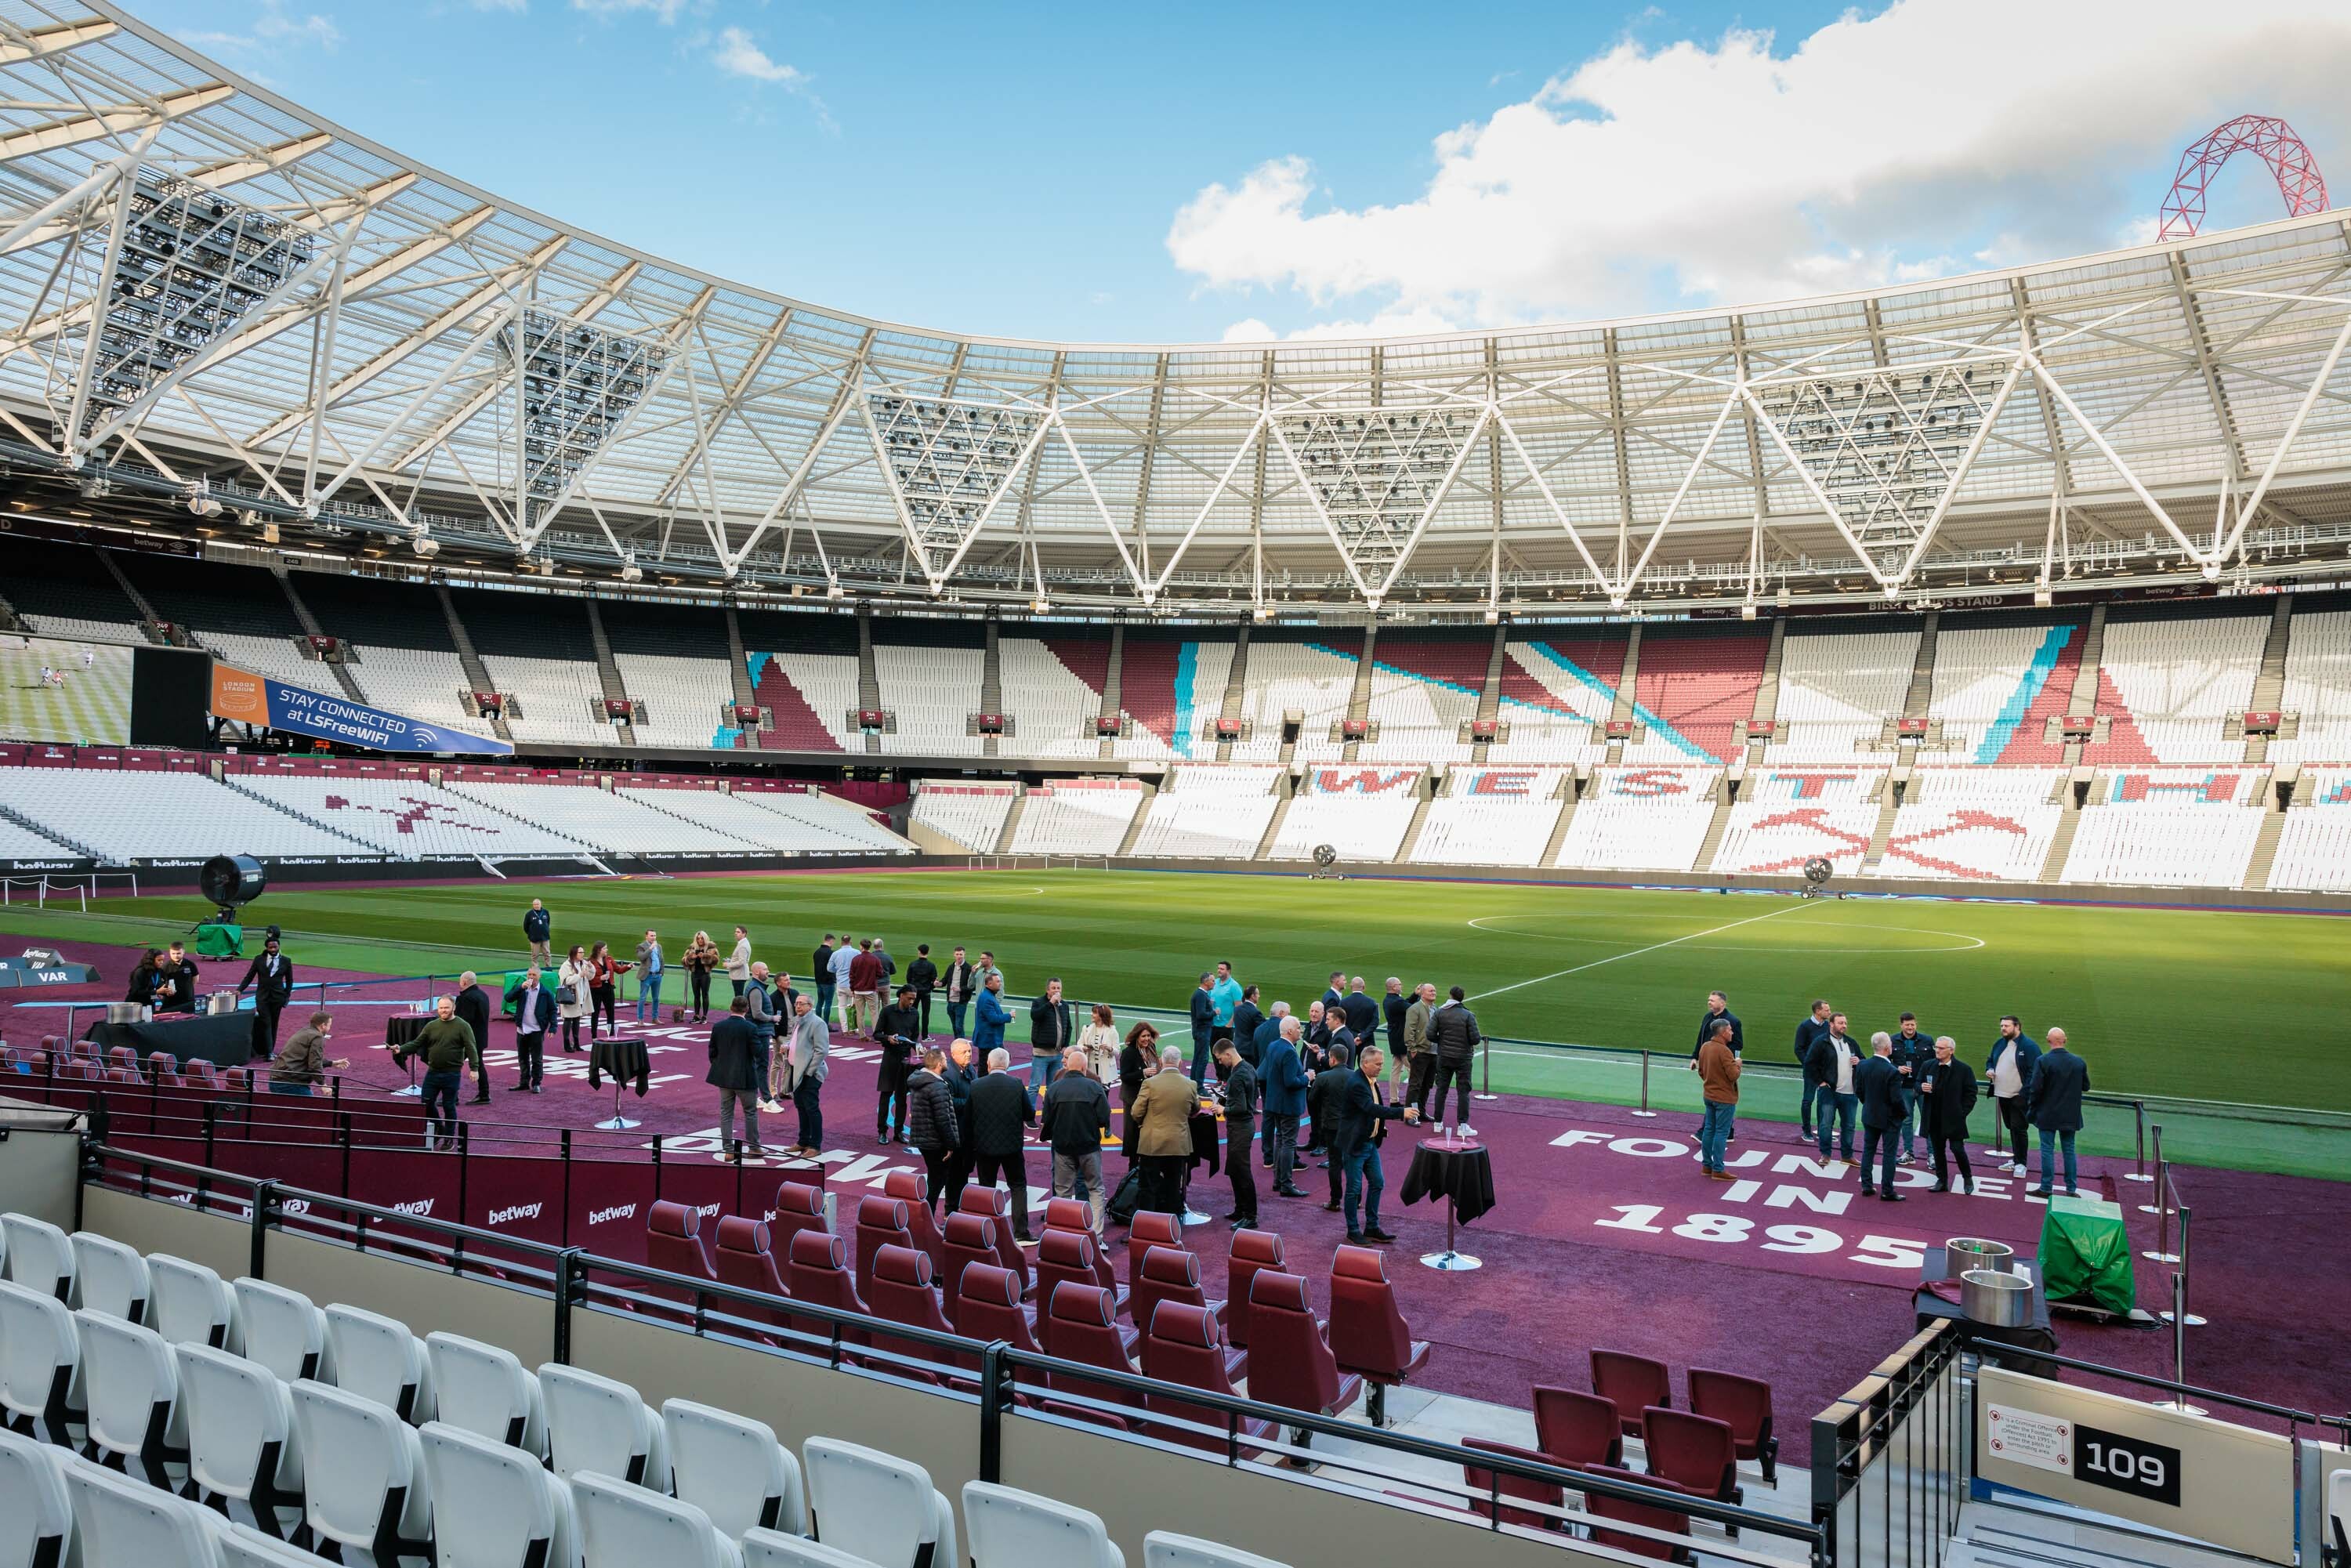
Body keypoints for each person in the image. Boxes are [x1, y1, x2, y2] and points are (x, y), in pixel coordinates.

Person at [1331, 1045, 1416, 1244]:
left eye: (1382, 1064)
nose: (1380, 1067)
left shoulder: (1370, 1080)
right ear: (1365, 1063)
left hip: (1369, 1142)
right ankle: (1353, 1230)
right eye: (1377, 1064)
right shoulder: (1357, 1084)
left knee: (1377, 1183)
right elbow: (1371, 1108)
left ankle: (1371, 1227)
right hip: (1356, 1144)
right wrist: (1400, 1112)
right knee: (1354, 1189)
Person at [392, 995, 480, 1149]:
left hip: (452, 1074)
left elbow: (471, 1047)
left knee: (449, 1105)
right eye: (441, 1008)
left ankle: (448, 1138)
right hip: (433, 1072)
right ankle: (440, 1127)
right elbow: (417, 1043)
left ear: (454, 1008)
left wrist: (474, 1068)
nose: (443, 1011)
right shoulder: (432, 1026)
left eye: (446, 1008)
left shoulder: (463, 1026)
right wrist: (401, 1048)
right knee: (426, 1102)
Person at [968, 1048, 1037, 1240]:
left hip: (984, 1147)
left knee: (986, 1188)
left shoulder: (976, 1085)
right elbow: (1029, 1115)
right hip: (1012, 1147)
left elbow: (967, 1118)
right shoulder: (1016, 1084)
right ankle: (1021, 1232)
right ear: (1007, 1064)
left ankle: (986, 1230)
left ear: (988, 1064)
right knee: (1018, 1186)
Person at [1042, 1046, 1111, 1233]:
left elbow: (1046, 1119)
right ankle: (1095, 1235)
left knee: (1063, 1192)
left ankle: (1063, 1234)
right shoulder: (1095, 1087)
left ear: (1067, 1067)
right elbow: (1105, 1118)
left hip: (1062, 1146)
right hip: (1089, 1146)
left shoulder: (1054, 1088)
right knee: (1095, 1189)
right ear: (1083, 1068)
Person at [1131, 1045, 1199, 1217]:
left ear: (1161, 1061)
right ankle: (1170, 1229)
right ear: (1180, 1063)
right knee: (1173, 1187)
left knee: (1147, 1188)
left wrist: (1145, 1125)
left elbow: (1136, 1112)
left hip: (1152, 1143)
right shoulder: (1190, 1084)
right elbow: (1195, 1108)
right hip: (1178, 1144)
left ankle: (1145, 1228)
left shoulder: (1150, 1084)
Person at [2027, 1027, 2088, 1199]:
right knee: (2069, 1149)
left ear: (2048, 1040)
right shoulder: (2078, 1062)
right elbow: (2086, 1086)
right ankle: (2071, 1188)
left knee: (2047, 1149)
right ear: (2065, 1040)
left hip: (2047, 1113)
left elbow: (2036, 1088)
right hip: (2070, 1114)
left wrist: (2032, 1107)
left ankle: (2046, 1187)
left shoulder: (2043, 1061)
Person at [708, 994, 766, 1164]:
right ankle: (754, 1147)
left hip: (724, 1077)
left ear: (731, 1007)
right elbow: (758, 1052)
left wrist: (721, 1067)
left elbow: (712, 1051)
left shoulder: (719, 1026)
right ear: (747, 1009)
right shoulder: (750, 1028)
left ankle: (728, 1149)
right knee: (750, 1112)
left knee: (726, 1113)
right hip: (745, 1078)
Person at [1918, 1036, 1977, 1194]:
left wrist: (1961, 1113)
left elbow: (1971, 1094)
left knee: (1958, 1149)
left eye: (1941, 1048)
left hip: (1954, 1119)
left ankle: (1968, 1178)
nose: (1937, 1050)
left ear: (1951, 1051)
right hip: (1934, 1117)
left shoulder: (1964, 1070)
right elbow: (1917, 1084)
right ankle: (1942, 1181)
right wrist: (1921, 1087)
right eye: (1936, 1047)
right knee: (1938, 1151)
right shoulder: (1927, 1066)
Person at [1983, 1016, 2040, 1178]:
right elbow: (1990, 1060)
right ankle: (2016, 1160)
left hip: (2018, 1096)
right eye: (2001, 1026)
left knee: (2019, 1128)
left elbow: (2035, 1071)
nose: (2003, 1029)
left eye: (2006, 1026)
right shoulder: (1999, 1044)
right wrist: (1990, 1069)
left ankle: (2021, 1163)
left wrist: (2024, 1093)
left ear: (2017, 1027)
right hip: (2002, 1094)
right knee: (2011, 1127)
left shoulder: (2029, 1046)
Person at [1260, 1016, 1310, 1197]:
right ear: (1290, 1031)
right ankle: (1286, 1183)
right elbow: (1291, 1081)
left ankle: (1278, 1181)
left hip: (1275, 1102)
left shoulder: (1273, 1046)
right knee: (1288, 1142)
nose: (1300, 1031)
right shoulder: (1289, 1052)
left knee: (1281, 1140)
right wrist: (1307, 1078)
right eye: (1298, 1028)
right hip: (1288, 1104)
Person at [906, 1047, 961, 1210]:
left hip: (923, 1138)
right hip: (935, 1141)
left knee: (934, 1179)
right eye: (944, 1059)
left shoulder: (919, 1080)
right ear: (938, 1064)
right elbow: (943, 1119)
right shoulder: (938, 1086)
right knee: (937, 1181)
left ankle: (925, 1217)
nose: (947, 1062)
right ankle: (926, 1218)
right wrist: (951, 1145)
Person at [1213, 1037, 1259, 1229]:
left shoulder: (1238, 1075)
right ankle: (1241, 1209)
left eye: (1219, 1058)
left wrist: (1223, 1109)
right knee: (1234, 1169)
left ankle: (1250, 1216)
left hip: (1240, 1126)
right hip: (1243, 1126)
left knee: (1242, 1171)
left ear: (1228, 1054)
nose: (1219, 1062)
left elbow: (1240, 1107)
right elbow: (1251, 1098)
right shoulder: (1248, 1068)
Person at [1425, 985, 1483, 1134]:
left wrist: (1442, 1041)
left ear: (1451, 995)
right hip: (1463, 1058)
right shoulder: (1468, 1015)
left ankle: (1438, 1123)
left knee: (1441, 1089)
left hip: (1444, 1056)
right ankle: (1462, 1125)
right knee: (1463, 1091)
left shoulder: (1440, 1013)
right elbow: (1476, 1039)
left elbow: (1430, 1034)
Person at [1855, 1033, 1906, 1201]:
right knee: (1889, 1154)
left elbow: (1859, 1091)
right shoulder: (1892, 1071)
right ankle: (1887, 1190)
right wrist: (1902, 1114)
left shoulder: (1863, 1066)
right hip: (1889, 1119)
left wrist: (1869, 1105)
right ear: (1886, 1048)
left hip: (1869, 1115)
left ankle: (1867, 1186)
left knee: (1868, 1150)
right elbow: (1897, 1099)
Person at [874, 984, 923, 1144]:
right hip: (890, 1058)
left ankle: (899, 1131)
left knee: (902, 1097)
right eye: (909, 998)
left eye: (914, 999)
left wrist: (917, 1046)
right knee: (886, 1095)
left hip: (905, 1059)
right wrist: (888, 1038)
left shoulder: (915, 1014)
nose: (911, 1002)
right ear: (901, 995)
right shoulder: (887, 1011)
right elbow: (877, 1034)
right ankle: (882, 1131)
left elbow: (914, 1036)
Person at [1809, 1012, 1860, 1164]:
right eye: (1840, 1023)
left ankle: (1847, 1156)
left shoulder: (1851, 1042)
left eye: (1845, 1023)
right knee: (1825, 1124)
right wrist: (1820, 1082)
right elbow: (1810, 1064)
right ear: (1831, 1024)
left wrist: (1860, 1060)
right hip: (1829, 1091)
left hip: (1850, 1093)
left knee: (1849, 1126)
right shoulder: (1821, 1042)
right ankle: (1825, 1154)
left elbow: (1863, 1059)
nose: (1844, 1026)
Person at [1310, 1042, 1356, 1209]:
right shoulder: (1356, 1076)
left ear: (1333, 1059)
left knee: (1335, 1163)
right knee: (1352, 1163)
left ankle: (1335, 1201)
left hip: (1331, 1125)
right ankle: (1355, 1200)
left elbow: (1312, 1099)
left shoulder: (1323, 1077)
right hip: (1351, 1126)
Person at [237, 936, 295, 1060]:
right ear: (266, 948)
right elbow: (249, 976)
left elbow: (290, 981)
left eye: (275, 947)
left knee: (274, 1024)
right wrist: (240, 989)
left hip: (278, 998)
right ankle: (269, 1052)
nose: (273, 949)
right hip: (262, 997)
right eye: (271, 947)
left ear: (279, 946)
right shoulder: (259, 960)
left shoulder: (286, 961)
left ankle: (270, 1050)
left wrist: (286, 997)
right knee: (266, 1022)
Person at [785, 993, 828, 1157]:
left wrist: (810, 1072)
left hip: (810, 1074)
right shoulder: (799, 1021)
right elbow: (798, 1042)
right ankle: (803, 1141)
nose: (798, 1006)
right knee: (801, 1106)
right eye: (796, 1003)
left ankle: (815, 1145)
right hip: (797, 1072)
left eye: (802, 1004)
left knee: (811, 1108)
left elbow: (822, 1050)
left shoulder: (818, 1023)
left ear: (810, 1006)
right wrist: (788, 1046)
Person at [1696, 1019, 1740, 1178]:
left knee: (1709, 1130)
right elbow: (1733, 1075)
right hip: (1724, 1098)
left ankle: (1706, 1166)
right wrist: (1737, 1064)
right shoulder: (1725, 1051)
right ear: (1722, 1033)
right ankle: (1718, 1169)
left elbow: (1701, 1071)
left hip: (1709, 1095)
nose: (1732, 1032)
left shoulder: (1705, 1047)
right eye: (1729, 1030)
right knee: (1721, 1133)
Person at [270, 1009, 346, 1095]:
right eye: (329, 1025)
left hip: (275, 1079)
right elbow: (314, 1063)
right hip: (290, 1083)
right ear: (323, 1026)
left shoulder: (304, 1031)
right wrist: (323, 1085)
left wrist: (332, 1063)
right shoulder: (317, 1037)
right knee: (311, 1107)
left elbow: (308, 1059)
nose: (330, 1028)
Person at [942, 1037, 979, 1209]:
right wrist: (970, 1103)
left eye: (969, 1051)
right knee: (953, 1173)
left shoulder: (970, 1068)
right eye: (964, 1052)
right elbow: (949, 1101)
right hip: (956, 1129)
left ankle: (960, 1206)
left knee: (965, 1170)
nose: (968, 1054)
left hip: (968, 1129)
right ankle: (950, 1209)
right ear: (953, 1054)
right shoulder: (948, 1074)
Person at [1889, 1012, 1929, 1163]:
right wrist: (1897, 1068)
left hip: (1923, 1088)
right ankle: (1908, 1152)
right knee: (1906, 1121)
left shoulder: (1926, 1040)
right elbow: (1885, 1061)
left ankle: (1932, 1155)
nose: (1910, 1027)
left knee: (1928, 1120)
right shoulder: (1892, 1041)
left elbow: (1933, 1062)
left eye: (1912, 1024)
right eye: (1907, 1025)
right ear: (1901, 1025)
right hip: (1904, 1087)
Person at [1118, 1021, 1158, 1162]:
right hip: (1132, 1098)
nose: (1146, 1039)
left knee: (1147, 1131)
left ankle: (1146, 1161)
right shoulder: (1128, 1052)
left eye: (1148, 1036)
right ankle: (1133, 1164)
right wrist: (1142, 1073)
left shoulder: (1151, 1047)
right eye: (1143, 1036)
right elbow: (1124, 1076)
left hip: (1148, 1096)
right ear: (1136, 1037)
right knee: (1133, 1132)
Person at [1794, 998, 1834, 1141]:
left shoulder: (1827, 1026)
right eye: (1827, 1010)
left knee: (1824, 1101)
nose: (1830, 1012)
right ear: (1818, 1011)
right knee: (1808, 1100)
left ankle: (1822, 1131)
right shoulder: (1805, 1027)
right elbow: (1798, 1049)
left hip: (1825, 1071)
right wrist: (1809, 1065)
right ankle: (1807, 1130)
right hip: (1812, 1071)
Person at [512, 965, 556, 1094]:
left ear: (539, 977)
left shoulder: (545, 993)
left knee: (537, 1059)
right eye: (529, 975)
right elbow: (508, 998)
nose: (531, 977)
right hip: (522, 1029)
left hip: (536, 1030)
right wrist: (520, 988)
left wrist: (553, 1027)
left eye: (534, 975)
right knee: (522, 1058)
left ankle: (536, 1083)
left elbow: (553, 1010)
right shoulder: (522, 989)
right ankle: (524, 1082)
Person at [1029, 979, 1074, 1095]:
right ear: (1047, 990)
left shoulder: (1064, 1005)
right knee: (1034, 1087)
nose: (1056, 991)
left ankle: (1050, 1112)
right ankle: (1029, 1113)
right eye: (1053, 988)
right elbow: (1035, 1016)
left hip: (1057, 1054)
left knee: (1054, 1087)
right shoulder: (1039, 1002)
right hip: (1041, 1053)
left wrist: (1065, 1045)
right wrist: (1050, 1004)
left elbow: (1068, 1027)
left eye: (1058, 988)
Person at [454, 972, 493, 1103]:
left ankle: (452, 1097)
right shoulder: (483, 995)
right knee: (479, 1064)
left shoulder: (467, 998)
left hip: (468, 1039)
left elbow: (463, 1020)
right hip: (480, 1037)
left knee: (454, 1064)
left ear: (464, 982)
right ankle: (484, 1094)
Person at [745, 962, 780, 1109]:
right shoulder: (756, 989)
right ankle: (767, 1099)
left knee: (757, 1065)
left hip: (759, 1032)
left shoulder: (756, 988)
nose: (768, 971)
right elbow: (757, 1014)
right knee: (761, 1065)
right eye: (765, 969)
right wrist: (773, 1018)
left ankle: (755, 1096)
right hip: (759, 1033)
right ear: (757, 971)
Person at [1401, 982, 1436, 1116]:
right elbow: (1409, 1030)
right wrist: (1412, 1048)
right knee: (1415, 1085)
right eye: (1430, 991)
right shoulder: (1415, 1009)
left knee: (1427, 1084)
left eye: (1434, 991)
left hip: (1433, 1052)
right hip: (1420, 1052)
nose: (1433, 993)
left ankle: (1421, 1111)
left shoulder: (1435, 1009)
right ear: (1422, 993)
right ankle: (1410, 1114)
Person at [589, 941, 628, 1041]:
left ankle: (610, 1035)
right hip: (596, 990)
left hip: (609, 989)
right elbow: (588, 978)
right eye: (605, 948)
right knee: (595, 1013)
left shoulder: (609, 959)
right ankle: (594, 1036)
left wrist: (627, 967)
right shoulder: (590, 962)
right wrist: (599, 978)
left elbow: (618, 970)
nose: (607, 950)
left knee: (610, 1013)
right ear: (599, 950)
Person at [558, 944, 592, 1053]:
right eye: (580, 953)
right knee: (568, 1019)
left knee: (577, 1019)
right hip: (570, 996)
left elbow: (590, 976)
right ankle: (567, 1044)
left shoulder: (583, 964)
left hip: (581, 995)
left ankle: (577, 1043)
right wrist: (579, 975)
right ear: (574, 953)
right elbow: (565, 981)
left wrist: (591, 968)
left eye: (583, 952)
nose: (583, 954)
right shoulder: (566, 965)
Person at [846, 938, 884, 1036]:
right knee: (874, 1013)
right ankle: (877, 1035)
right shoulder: (875, 959)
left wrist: (853, 989)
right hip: (871, 990)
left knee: (860, 1014)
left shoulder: (856, 959)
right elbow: (880, 973)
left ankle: (862, 1035)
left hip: (858, 990)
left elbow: (851, 976)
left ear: (861, 947)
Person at [1692, 990, 1743, 1060]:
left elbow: (1737, 1045)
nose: (1709, 1003)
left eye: (1712, 1001)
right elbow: (1701, 1038)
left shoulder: (1733, 1021)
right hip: (1705, 1060)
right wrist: (1695, 1057)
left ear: (1722, 1003)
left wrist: (1719, 1055)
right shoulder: (1707, 1017)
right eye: (1709, 1000)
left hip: (1721, 1061)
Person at [1077, 1002, 1119, 1086]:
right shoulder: (1086, 1028)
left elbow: (1117, 1052)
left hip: (1105, 1069)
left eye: (1095, 1013)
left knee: (1104, 1095)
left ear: (1102, 1015)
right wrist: (1084, 1048)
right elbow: (1079, 1045)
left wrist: (1109, 1049)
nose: (1092, 1015)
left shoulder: (1112, 1031)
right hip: (1090, 1067)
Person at [152, 941, 198, 1015]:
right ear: (170, 952)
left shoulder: (190, 964)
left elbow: (195, 979)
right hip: (170, 1001)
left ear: (183, 952)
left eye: (178, 953)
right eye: (173, 953)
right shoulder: (165, 967)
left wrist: (188, 989)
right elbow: (160, 983)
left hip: (187, 999)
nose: (176, 956)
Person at [683, 932, 719, 1023]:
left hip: (705, 974)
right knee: (696, 996)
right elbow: (684, 961)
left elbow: (716, 960)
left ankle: (705, 1016)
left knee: (705, 995)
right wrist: (691, 957)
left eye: (702, 938)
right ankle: (696, 1015)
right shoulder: (692, 947)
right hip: (695, 974)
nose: (700, 940)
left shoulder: (711, 948)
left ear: (705, 938)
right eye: (698, 938)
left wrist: (705, 956)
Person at [1188, 972, 1216, 1085]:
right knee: (1203, 1059)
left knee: (1198, 1057)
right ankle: (1199, 1085)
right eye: (1213, 981)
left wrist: (1209, 1004)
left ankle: (1194, 1083)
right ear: (1206, 982)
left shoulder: (1202, 994)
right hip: (1202, 1031)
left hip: (1200, 1031)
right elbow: (1201, 1014)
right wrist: (1214, 1012)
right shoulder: (1201, 995)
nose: (1214, 983)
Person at [942, 947, 976, 1040]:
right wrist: (939, 983)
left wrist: (960, 989)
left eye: (961, 954)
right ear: (954, 955)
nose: (959, 956)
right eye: (957, 954)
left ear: (964, 955)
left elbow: (972, 986)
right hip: (951, 1001)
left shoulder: (969, 968)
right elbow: (945, 980)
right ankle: (957, 1042)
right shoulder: (951, 967)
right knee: (954, 1025)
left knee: (959, 1026)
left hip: (961, 1002)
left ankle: (962, 1044)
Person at [1381, 978, 1409, 1088]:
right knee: (1414, 1070)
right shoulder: (1398, 1002)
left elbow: (1404, 1004)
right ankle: (1413, 1101)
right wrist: (1420, 998)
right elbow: (1413, 1008)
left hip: (1394, 1040)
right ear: (1394, 987)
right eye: (1399, 984)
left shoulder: (1388, 1000)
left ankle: (1393, 1099)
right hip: (1403, 1040)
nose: (1401, 986)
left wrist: (1415, 995)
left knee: (1396, 1070)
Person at [907, 943, 940, 1036]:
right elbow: (934, 980)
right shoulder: (931, 965)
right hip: (926, 993)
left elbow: (908, 978)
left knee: (912, 1012)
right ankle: (925, 1035)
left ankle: (913, 1033)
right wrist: (930, 988)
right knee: (925, 1014)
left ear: (919, 952)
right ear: (928, 952)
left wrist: (913, 988)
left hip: (914, 993)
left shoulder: (913, 964)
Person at [974, 971, 1009, 1056]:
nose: (1000, 984)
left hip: (990, 1039)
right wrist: (1009, 1016)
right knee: (986, 1066)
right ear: (989, 984)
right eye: (998, 981)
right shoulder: (987, 998)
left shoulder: (989, 996)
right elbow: (993, 1019)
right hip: (989, 1040)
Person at [634, 930, 665, 1023]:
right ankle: (640, 1020)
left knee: (656, 998)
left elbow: (661, 959)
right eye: (651, 936)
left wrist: (661, 972)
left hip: (657, 976)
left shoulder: (659, 946)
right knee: (643, 998)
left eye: (655, 935)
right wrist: (650, 948)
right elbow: (642, 957)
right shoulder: (641, 946)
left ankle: (655, 1018)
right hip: (647, 976)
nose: (654, 937)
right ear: (646, 936)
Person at [828, 936, 857, 1027]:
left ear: (841, 943)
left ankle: (845, 1029)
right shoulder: (857, 952)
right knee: (855, 1007)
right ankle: (854, 1028)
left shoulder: (835, 954)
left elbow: (829, 968)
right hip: (853, 985)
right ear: (850, 942)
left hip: (841, 984)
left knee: (841, 1007)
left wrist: (839, 970)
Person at [1342, 976, 1378, 1040]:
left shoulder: (1343, 1002)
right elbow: (1375, 1022)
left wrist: (1355, 1035)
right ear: (1364, 987)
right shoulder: (1371, 1002)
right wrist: (1362, 1036)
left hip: (1349, 1039)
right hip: (1367, 1040)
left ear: (1351, 987)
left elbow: (1341, 1022)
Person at [726, 926, 753, 1000]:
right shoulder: (743, 943)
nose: (736, 933)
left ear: (744, 934)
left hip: (739, 975)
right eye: (735, 931)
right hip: (740, 974)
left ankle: (740, 1010)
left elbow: (741, 962)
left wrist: (728, 964)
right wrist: (731, 961)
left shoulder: (743, 946)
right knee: (739, 996)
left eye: (738, 932)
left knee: (739, 997)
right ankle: (740, 1010)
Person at [523, 899, 552, 967]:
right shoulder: (529, 914)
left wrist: (546, 930)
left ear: (541, 904)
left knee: (547, 954)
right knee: (535, 956)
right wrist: (531, 934)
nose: (536, 906)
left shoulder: (546, 912)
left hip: (545, 937)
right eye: (534, 904)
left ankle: (549, 969)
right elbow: (525, 926)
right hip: (534, 939)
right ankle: (535, 971)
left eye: (537, 904)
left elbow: (548, 922)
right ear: (533, 905)